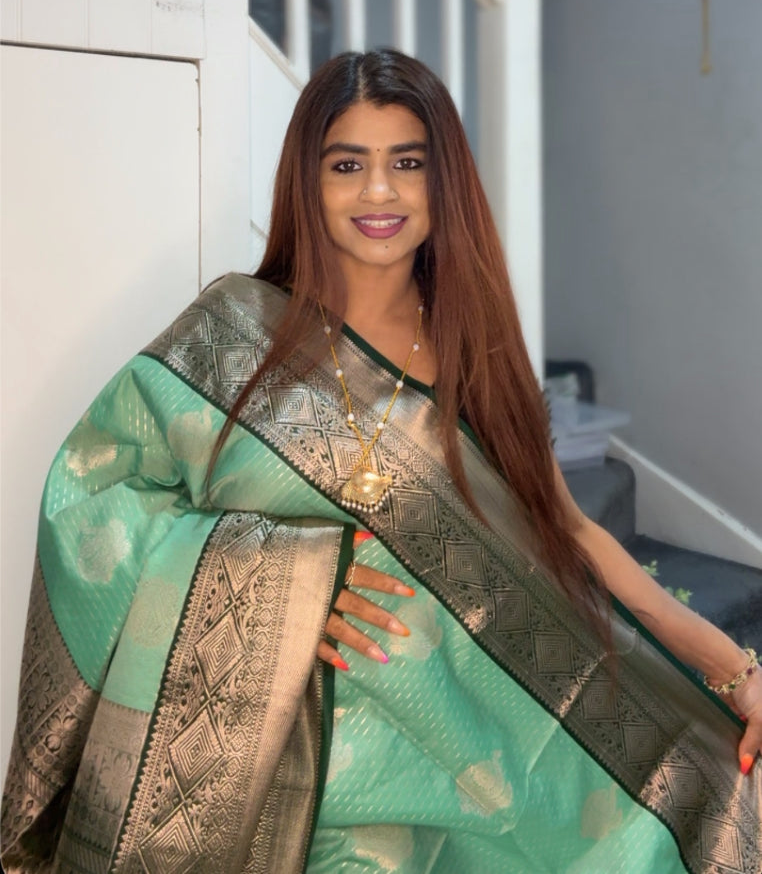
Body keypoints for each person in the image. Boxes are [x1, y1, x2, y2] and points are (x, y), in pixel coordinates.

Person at [1, 49, 760, 873]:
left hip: (451, 763)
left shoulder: (477, 355)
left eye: (407, 163)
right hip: (266, 771)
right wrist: (281, 582)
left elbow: (567, 529)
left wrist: (733, 669)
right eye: (346, 165)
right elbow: (94, 499)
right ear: (308, 181)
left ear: (444, 182)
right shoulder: (232, 333)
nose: (378, 192)